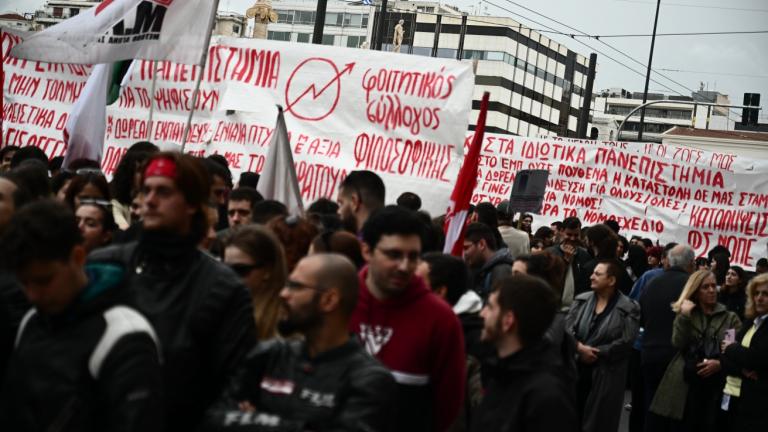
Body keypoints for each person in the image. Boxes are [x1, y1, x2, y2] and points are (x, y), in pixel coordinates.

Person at [88, 152, 257, 432]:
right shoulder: (104, 266)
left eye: (164, 191)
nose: (150, 201)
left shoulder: (223, 289)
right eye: (146, 191)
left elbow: (236, 388)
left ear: (192, 203)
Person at [0, 200, 163, 431]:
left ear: (77, 257)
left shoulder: (123, 336)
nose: (33, 295)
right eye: (24, 283)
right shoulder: (32, 321)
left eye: (43, 280)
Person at [203, 254, 396, 431]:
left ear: (329, 300)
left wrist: (256, 420)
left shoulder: (368, 379)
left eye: (295, 286)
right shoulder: (269, 355)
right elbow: (213, 418)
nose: (283, 294)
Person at [351, 206, 465, 432]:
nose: (404, 266)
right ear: (366, 251)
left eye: (413, 256)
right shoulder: (338, 302)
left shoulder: (441, 320)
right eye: (393, 255)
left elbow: (447, 406)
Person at [473, 274, 578, 432]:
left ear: (508, 320)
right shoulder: (501, 370)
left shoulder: (546, 397)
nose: (482, 314)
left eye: (490, 307)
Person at [649, 270, 741, 432]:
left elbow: (734, 351)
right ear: (696, 291)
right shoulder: (687, 314)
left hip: (715, 385)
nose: (712, 290)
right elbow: (677, 342)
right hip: (685, 383)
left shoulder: (729, 318)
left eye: (714, 286)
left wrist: (720, 363)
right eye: (706, 287)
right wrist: (684, 316)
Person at [567, 260, 640, 432]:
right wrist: (579, 348)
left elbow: (626, 341)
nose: (591, 277)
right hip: (575, 371)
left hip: (607, 375)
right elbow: (567, 329)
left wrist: (597, 352)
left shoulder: (629, 308)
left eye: (598, 274)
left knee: (599, 422)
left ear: (611, 280)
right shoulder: (581, 301)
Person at [639, 244, 695, 432]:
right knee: (675, 413)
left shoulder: (652, 281)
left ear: (668, 260)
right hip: (677, 357)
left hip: (649, 352)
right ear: (691, 263)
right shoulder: (691, 285)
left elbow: (642, 314)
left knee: (652, 406)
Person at [720, 273, 768, 431]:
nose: (759, 298)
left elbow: (757, 358)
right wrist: (742, 370)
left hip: (756, 404)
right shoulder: (750, 321)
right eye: (756, 293)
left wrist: (732, 348)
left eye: (765, 294)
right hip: (731, 393)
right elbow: (724, 356)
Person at [224, 225, 288, 340]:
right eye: (224, 269)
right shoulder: (225, 311)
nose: (230, 277)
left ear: (268, 270)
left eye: (240, 270)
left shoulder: (287, 321)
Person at [547, 216, 591, 311]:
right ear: (562, 232)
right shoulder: (550, 253)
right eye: (569, 234)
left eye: (576, 235)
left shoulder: (584, 255)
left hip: (576, 308)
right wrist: (565, 262)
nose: (572, 238)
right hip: (553, 307)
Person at [462, 222, 513, 299]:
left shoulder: (501, 272)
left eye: (466, 248)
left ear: (482, 244)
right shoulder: (480, 269)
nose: (464, 254)